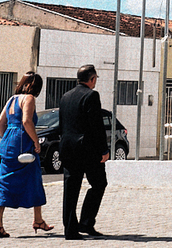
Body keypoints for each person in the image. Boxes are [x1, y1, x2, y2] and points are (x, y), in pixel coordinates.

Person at [0, 71, 52, 237]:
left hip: (8, 144)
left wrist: (8, 138)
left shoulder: (12, 99)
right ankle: (38, 220)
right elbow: (27, 121)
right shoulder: (29, 99)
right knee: (33, 178)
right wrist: (34, 141)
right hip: (23, 144)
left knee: (4, 181)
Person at [58, 64, 109, 240]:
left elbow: (62, 124)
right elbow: (96, 125)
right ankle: (87, 222)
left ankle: (70, 229)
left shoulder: (65, 96)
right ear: (92, 79)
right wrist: (104, 149)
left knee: (70, 189)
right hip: (87, 149)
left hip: (68, 148)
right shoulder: (92, 95)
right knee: (99, 183)